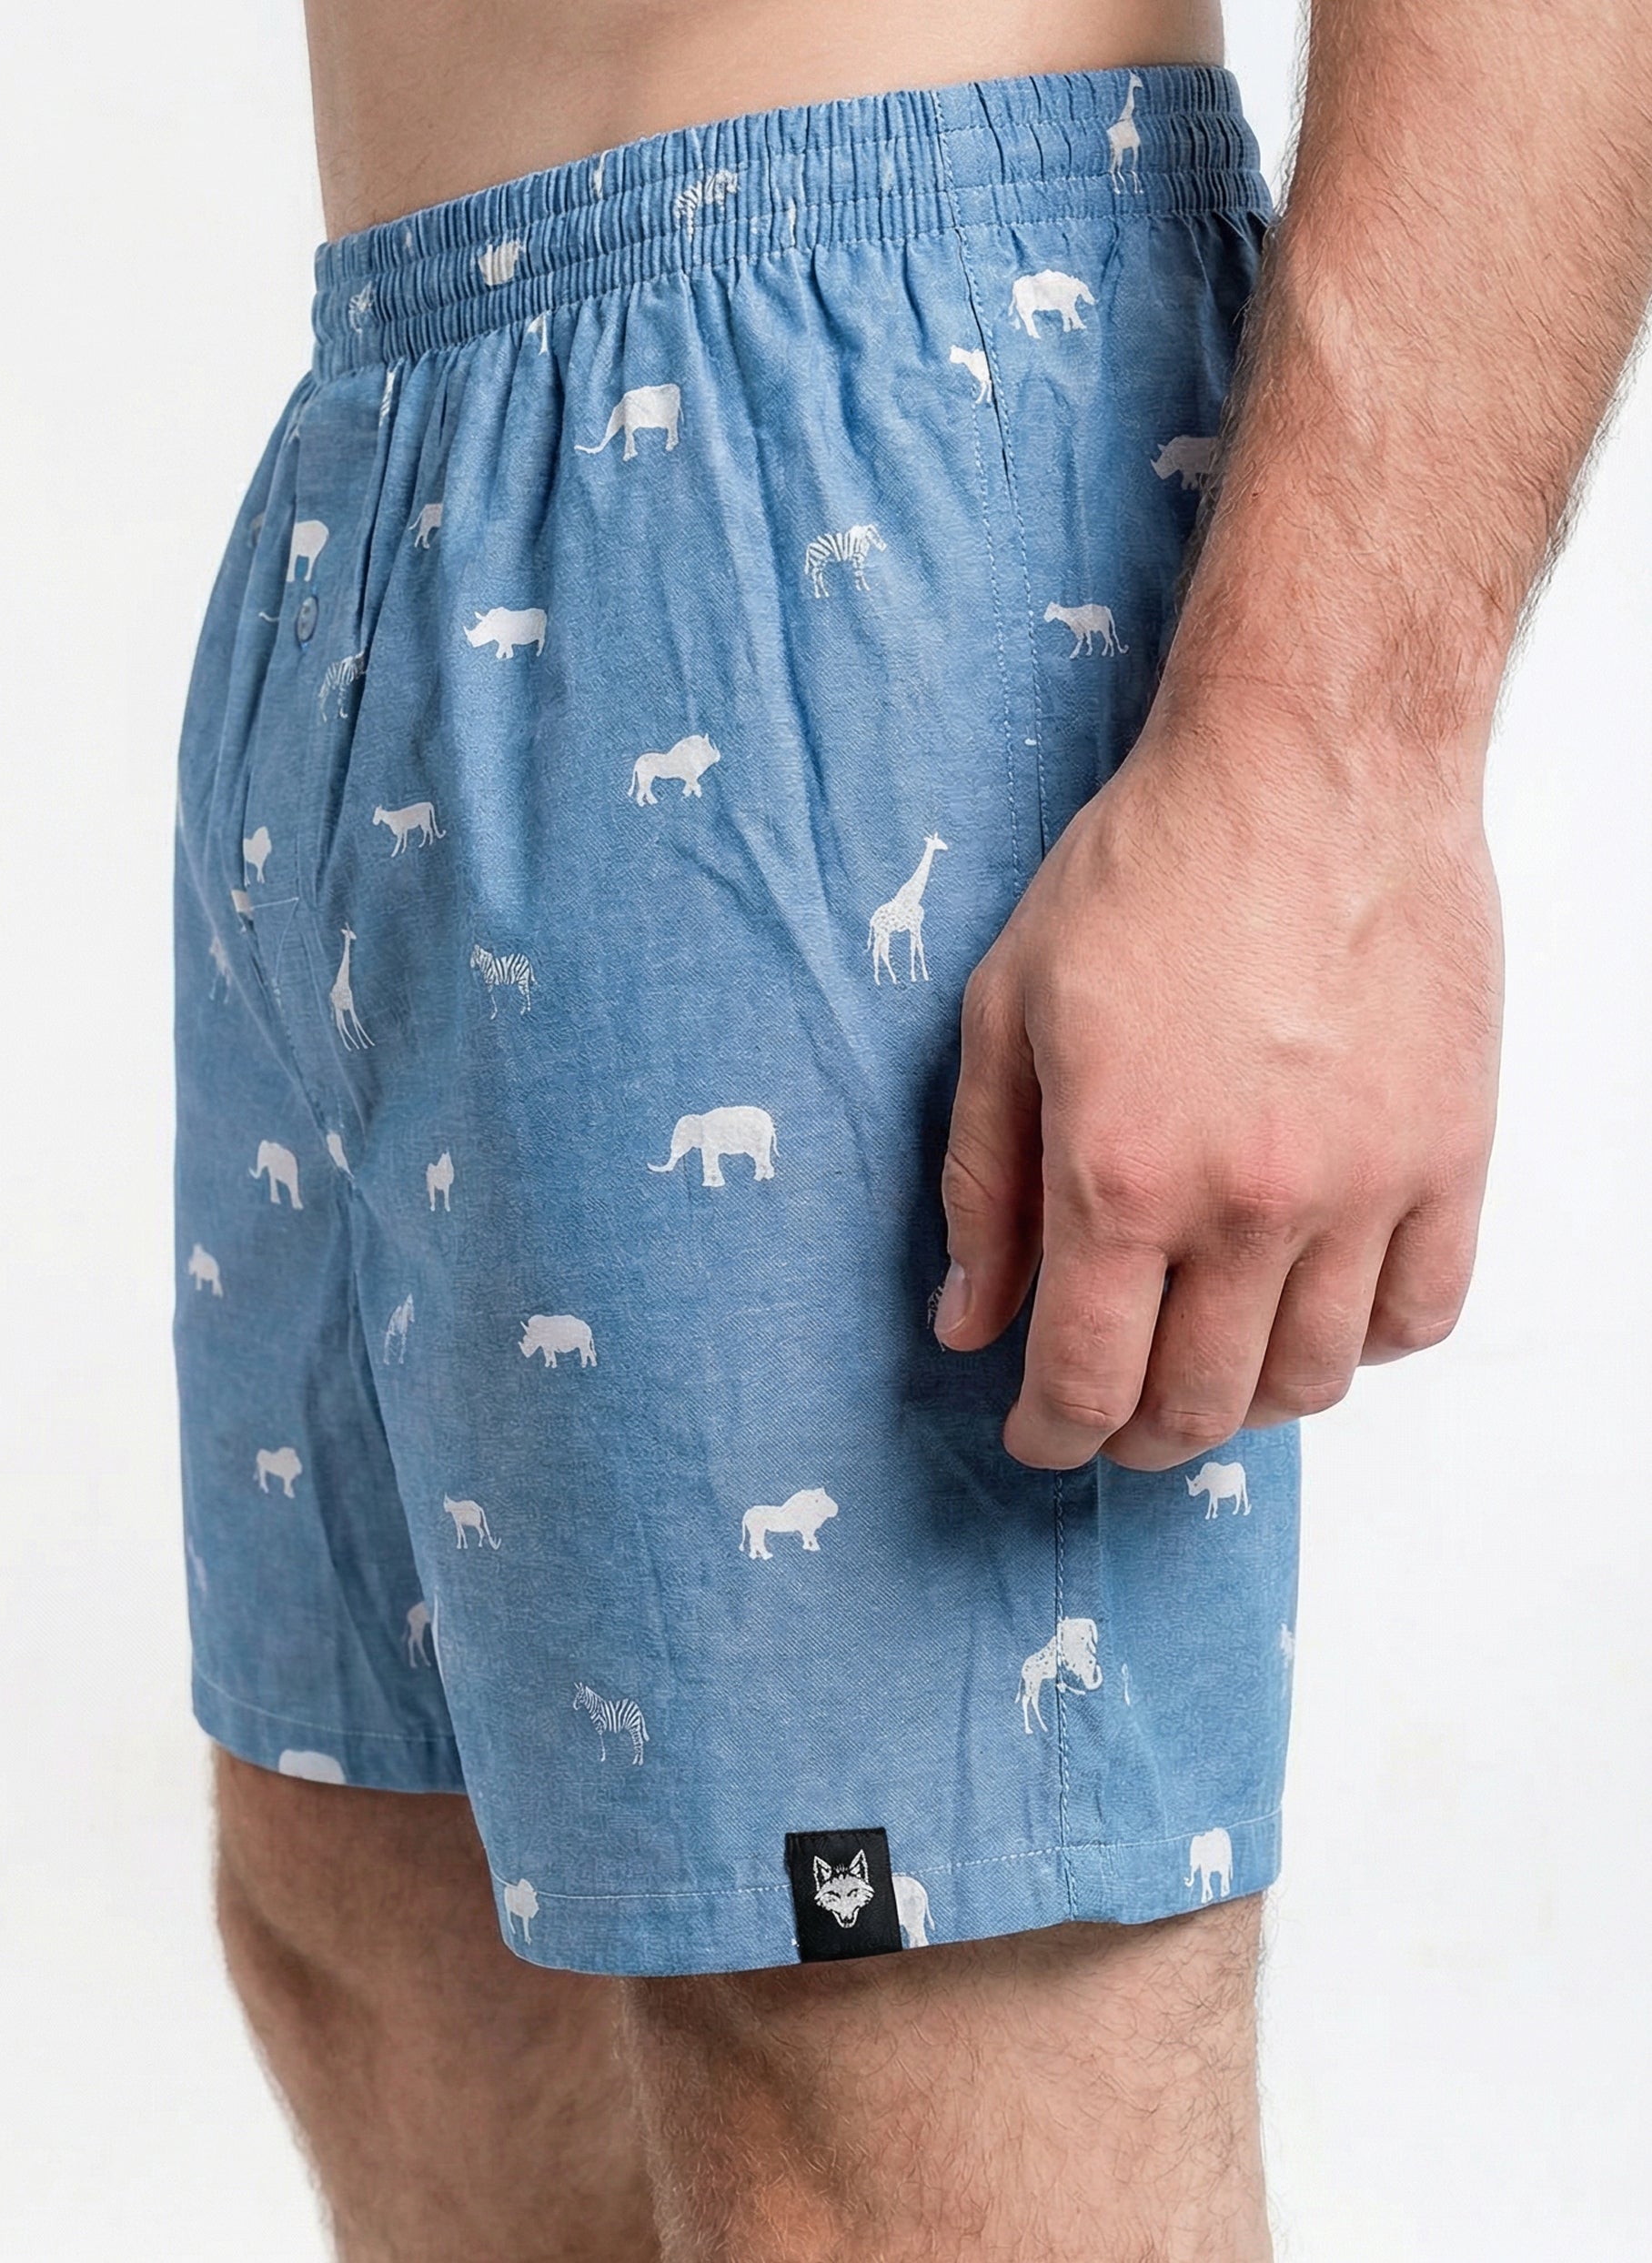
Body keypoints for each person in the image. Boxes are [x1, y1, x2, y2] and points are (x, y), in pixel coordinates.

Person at [171, 0, 1652, 2253]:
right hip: (386, 438)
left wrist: (1326, 758)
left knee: (876, 2114)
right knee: (383, 1923)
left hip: (839, 430)